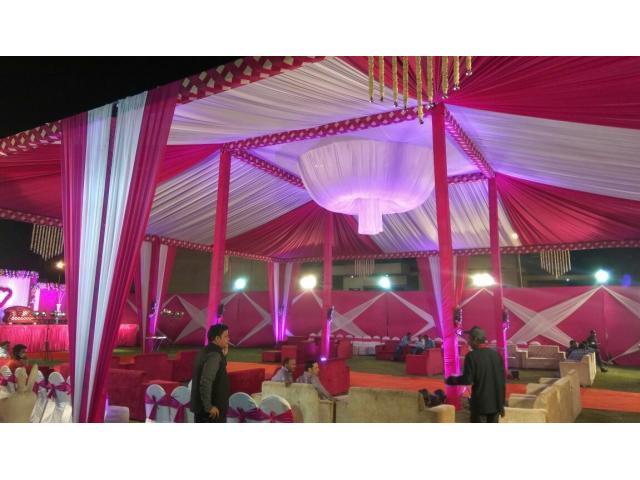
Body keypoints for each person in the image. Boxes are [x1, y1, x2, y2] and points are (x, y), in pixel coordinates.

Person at [445, 326, 506, 423]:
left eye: (470, 339)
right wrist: (501, 404)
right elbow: (502, 381)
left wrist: (452, 380)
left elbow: (467, 380)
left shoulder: (471, 356)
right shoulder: (496, 355)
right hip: (496, 404)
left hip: (480, 404)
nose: (468, 342)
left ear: (476, 340)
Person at [190, 324, 230, 423]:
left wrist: (223, 355)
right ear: (217, 338)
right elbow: (206, 381)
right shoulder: (214, 355)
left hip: (202, 409)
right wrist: (208, 406)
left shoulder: (205, 351)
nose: (228, 339)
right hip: (211, 412)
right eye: (226, 336)